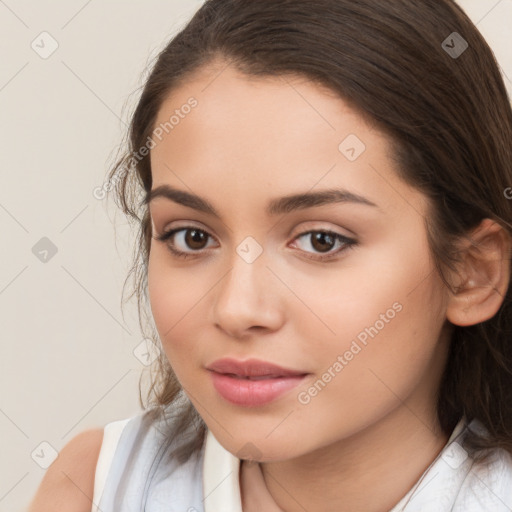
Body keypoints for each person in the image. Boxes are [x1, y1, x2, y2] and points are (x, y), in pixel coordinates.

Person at [29, 0, 512, 510]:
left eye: (321, 240)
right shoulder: (96, 487)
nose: (237, 309)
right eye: (191, 237)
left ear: (471, 274)